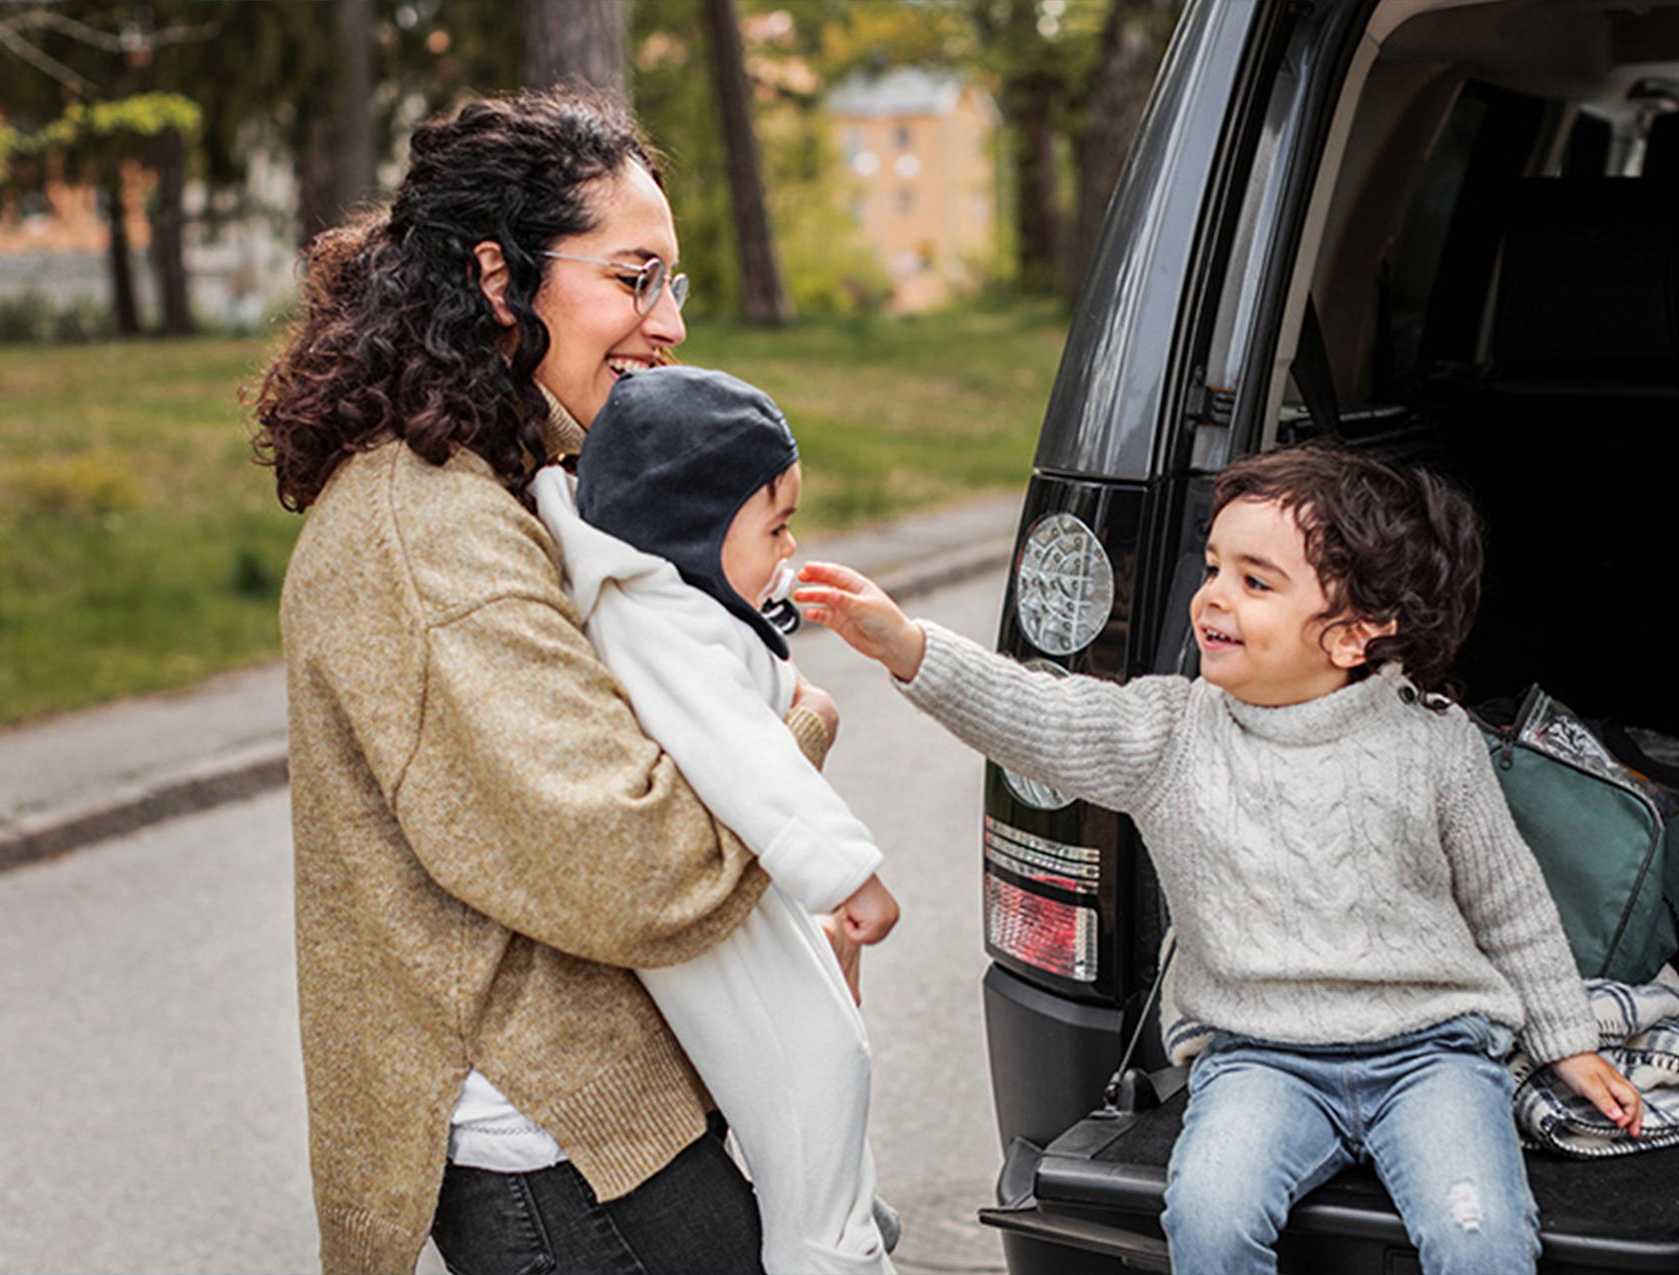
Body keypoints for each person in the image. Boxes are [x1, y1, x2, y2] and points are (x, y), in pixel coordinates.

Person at [795, 443, 1646, 1275]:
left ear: (1354, 636)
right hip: (1259, 1056)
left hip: (1431, 1050)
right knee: (1207, 1214)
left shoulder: (1434, 743)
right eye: (1213, 567)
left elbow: (1509, 902)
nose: (1211, 598)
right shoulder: (1172, 731)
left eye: (1254, 581)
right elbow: (1041, 716)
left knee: (1480, 1236)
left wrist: (1566, 1040)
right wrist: (906, 645)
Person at [253, 90, 827, 1275]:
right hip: (556, 1146)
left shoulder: (503, 481)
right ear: (500, 279)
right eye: (634, 278)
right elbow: (637, 867)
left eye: (671, 283)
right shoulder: (428, 536)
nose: (665, 324)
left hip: (595, 1115)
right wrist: (788, 727)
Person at [530, 364, 903, 1275]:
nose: (790, 544)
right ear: (695, 524)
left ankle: (845, 1230)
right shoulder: (656, 622)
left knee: (826, 1059)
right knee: (810, 1074)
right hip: (708, 936)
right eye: (774, 525)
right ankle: (832, 1250)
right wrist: (848, 871)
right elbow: (746, 755)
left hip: (738, 912)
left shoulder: (673, 599)